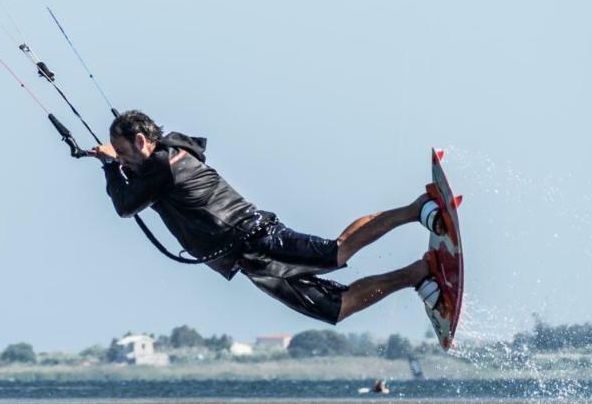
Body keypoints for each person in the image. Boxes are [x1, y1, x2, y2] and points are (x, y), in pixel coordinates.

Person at [92, 110, 447, 326]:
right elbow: (137, 191)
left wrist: (109, 166)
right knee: (336, 308)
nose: (121, 159)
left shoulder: (162, 164)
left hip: (258, 237)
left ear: (141, 140)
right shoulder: (162, 161)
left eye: (124, 152)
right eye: (118, 156)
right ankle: (417, 273)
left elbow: (125, 205)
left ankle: (417, 208)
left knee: (336, 253)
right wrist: (119, 164)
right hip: (247, 261)